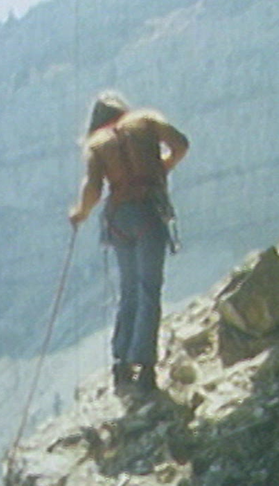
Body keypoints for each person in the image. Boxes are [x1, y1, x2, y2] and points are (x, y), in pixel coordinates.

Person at [68, 91, 189, 397]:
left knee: (129, 292)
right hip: (149, 212)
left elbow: (93, 190)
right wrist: (162, 166)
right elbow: (181, 144)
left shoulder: (96, 145)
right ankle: (146, 370)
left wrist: (79, 213)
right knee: (149, 290)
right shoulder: (146, 121)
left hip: (119, 219)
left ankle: (121, 365)